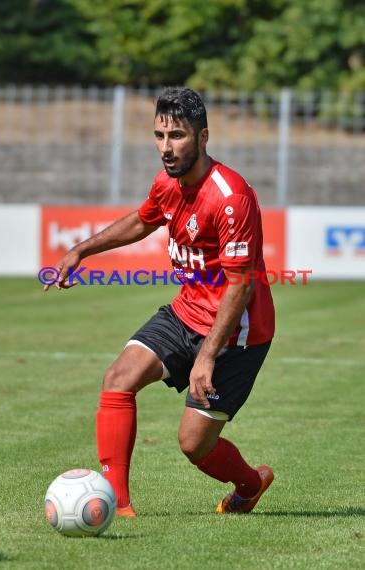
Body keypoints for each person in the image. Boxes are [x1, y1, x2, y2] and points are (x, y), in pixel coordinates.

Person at [45, 86, 275, 517]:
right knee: (119, 378)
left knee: (193, 445)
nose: (166, 148)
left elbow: (240, 286)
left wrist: (206, 358)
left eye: (178, 136)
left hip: (236, 334)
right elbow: (143, 219)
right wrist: (81, 251)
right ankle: (117, 507)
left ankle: (250, 481)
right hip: (186, 312)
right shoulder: (167, 183)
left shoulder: (231, 198)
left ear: (203, 137)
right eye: (159, 136)